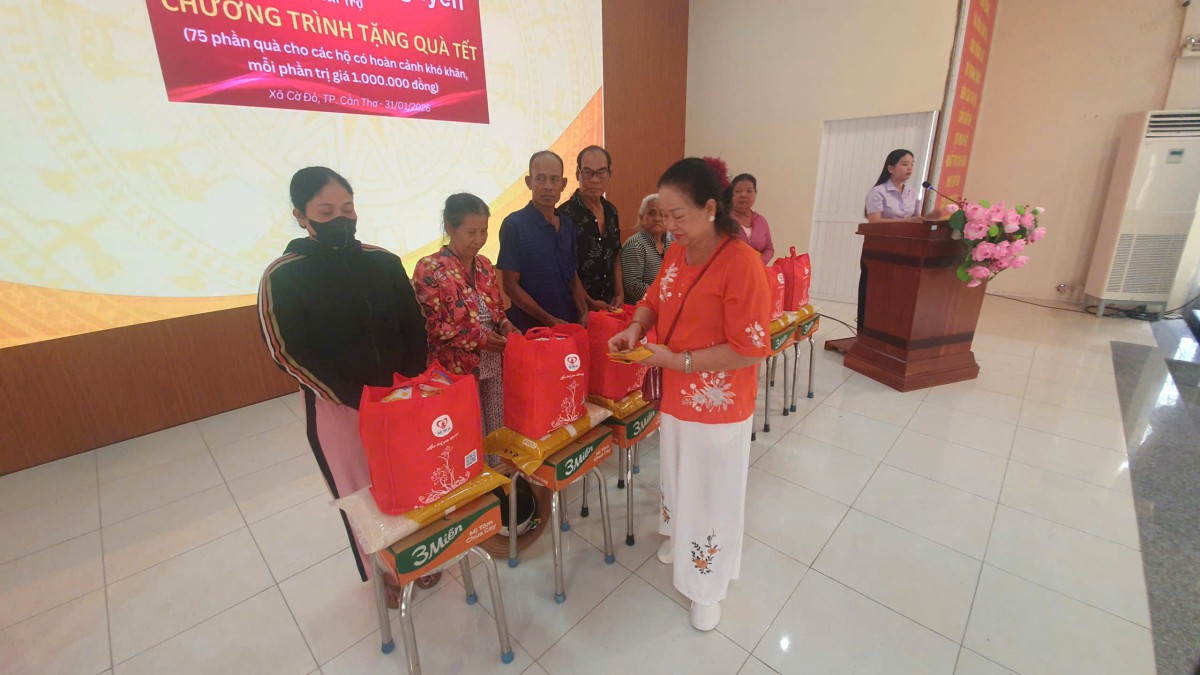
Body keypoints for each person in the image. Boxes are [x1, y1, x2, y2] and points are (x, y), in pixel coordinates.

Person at [609, 158, 771, 632]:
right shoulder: (678, 253)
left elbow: (748, 349)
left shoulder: (742, 264)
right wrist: (636, 327)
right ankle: (682, 537)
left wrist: (675, 361)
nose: (669, 225)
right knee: (680, 478)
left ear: (710, 208)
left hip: (720, 406)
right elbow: (654, 299)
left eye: (678, 215)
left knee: (712, 492)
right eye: (664, 215)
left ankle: (708, 584)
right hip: (677, 398)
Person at [257, 167, 436, 594]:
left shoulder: (383, 262)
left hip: (400, 395)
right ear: (301, 216)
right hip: (340, 406)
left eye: (348, 208)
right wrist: (353, 396)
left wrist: (409, 381)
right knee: (360, 493)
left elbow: (414, 324)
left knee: (411, 478)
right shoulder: (283, 276)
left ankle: (421, 552)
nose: (340, 218)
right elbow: (287, 351)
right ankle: (383, 572)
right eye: (326, 211)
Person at [413, 193, 516, 439]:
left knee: (498, 428)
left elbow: (497, 308)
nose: (479, 240)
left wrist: (505, 325)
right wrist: (480, 339)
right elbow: (433, 326)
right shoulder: (430, 268)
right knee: (469, 431)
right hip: (456, 369)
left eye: (484, 231)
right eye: (471, 232)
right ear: (450, 228)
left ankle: (498, 466)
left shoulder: (485, 265)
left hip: (493, 360)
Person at [496, 150, 590, 331]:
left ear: (563, 184)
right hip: (531, 330)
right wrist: (550, 321)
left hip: (569, 326)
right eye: (540, 178)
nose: (548, 186)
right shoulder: (514, 225)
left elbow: (572, 276)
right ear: (528, 182)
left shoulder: (568, 225)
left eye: (554, 179)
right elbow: (510, 286)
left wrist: (584, 312)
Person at [859, 149, 944, 326]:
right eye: (905, 164)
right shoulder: (878, 192)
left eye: (912, 164)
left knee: (897, 295)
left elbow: (916, 220)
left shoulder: (911, 192)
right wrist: (907, 221)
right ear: (891, 168)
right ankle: (869, 327)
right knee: (877, 293)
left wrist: (929, 218)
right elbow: (874, 221)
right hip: (880, 250)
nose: (910, 168)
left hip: (906, 251)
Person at [557, 145, 623, 309]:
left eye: (601, 172)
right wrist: (590, 303)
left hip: (610, 303)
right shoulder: (564, 215)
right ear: (577, 174)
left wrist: (619, 293)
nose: (594, 180)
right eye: (588, 172)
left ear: (609, 174)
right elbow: (567, 268)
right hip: (577, 307)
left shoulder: (611, 210)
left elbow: (615, 254)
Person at [619, 193, 671, 303]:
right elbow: (632, 287)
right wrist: (664, 297)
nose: (657, 219)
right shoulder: (635, 245)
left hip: (666, 304)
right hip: (641, 308)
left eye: (662, 214)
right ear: (641, 217)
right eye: (651, 213)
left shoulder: (671, 243)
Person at [728, 173, 774, 264]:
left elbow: (769, 249)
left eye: (749, 191)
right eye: (738, 191)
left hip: (757, 271)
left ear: (755, 194)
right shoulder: (723, 220)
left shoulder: (761, 221)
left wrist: (758, 262)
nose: (743, 195)